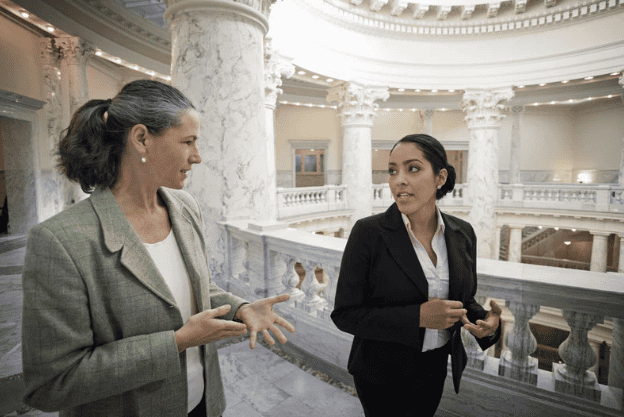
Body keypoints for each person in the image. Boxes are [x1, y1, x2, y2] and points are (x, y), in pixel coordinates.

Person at [21, 79, 295, 417]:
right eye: (187, 141)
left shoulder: (184, 207)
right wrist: (177, 342)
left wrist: (240, 308)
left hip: (203, 406)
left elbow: (197, 289)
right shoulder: (61, 240)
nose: (197, 156)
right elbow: (51, 384)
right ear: (141, 139)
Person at [331, 134, 502, 417]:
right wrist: (418, 317)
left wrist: (486, 323)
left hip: (435, 367)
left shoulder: (463, 233)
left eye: (413, 168)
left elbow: (461, 299)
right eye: (392, 170)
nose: (399, 180)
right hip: (379, 373)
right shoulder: (369, 233)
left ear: (440, 177)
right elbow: (346, 314)